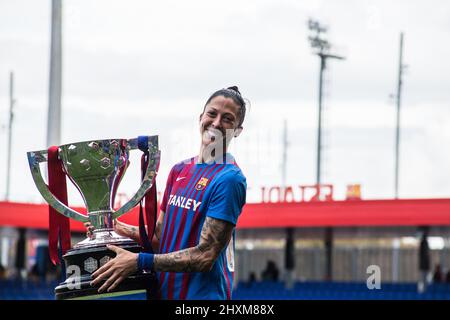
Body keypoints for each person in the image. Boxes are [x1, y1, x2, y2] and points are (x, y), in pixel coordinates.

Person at [87, 86, 248, 299]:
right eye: (212, 113)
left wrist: (138, 261)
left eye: (227, 119)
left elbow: (205, 256)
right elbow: (159, 237)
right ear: (201, 117)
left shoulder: (229, 179)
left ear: (237, 130)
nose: (216, 123)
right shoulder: (179, 170)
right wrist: (116, 228)